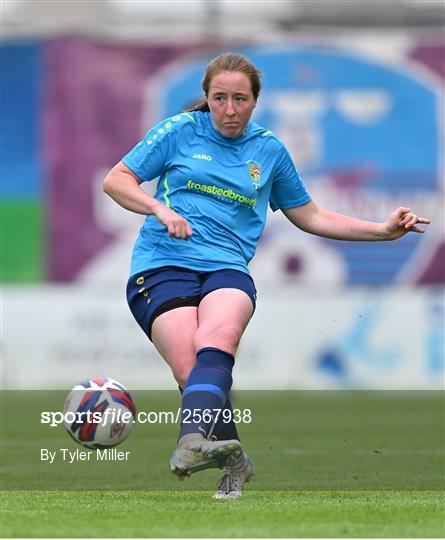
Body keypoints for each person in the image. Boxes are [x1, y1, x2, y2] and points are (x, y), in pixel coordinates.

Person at [103, 52, 430, 499]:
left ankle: (190, 443)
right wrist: (160, 207)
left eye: (240, 99)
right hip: (162, 265)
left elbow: (311, 215)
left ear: (256, 101)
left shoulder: (269, 150)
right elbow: (117, 180)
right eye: (220, 98)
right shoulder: (180, 131)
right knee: (191, 372)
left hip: (227, 267)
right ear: (207, 98)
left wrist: (383, 231)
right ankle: (235, 460)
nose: (230, 109)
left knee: (219, 338)